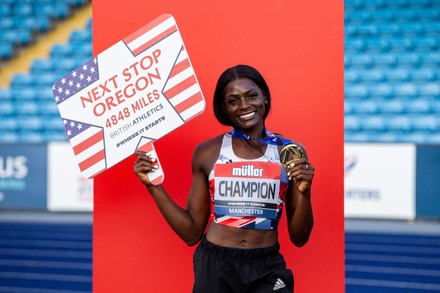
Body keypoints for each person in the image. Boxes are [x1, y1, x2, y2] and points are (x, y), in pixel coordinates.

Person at [133, 64, 314, 293]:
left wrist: (305, 193)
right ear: (223, 107)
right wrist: (154, 187)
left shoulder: (289, 153)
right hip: (215, 266)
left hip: (266, 267)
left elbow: (300, 238)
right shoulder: (208, 153)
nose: (244, 106)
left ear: (265, 98)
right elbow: (191, 234)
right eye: (233, 100)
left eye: (251, 96)